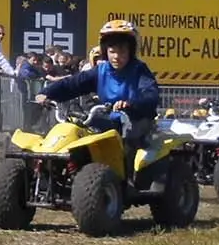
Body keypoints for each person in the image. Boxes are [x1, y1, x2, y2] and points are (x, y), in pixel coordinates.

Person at [37, 18, 161, 150]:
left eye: (122, 51)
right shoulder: (101, 71)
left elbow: (151, 95)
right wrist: (46, 93)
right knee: (83, 132)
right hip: (110, 121)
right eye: (112, 51)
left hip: (137, 121)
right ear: (105, 51)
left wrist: (130, 104)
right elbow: (73, 83)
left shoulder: (139, 69)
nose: (116, 56)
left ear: (130, 51)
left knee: (132, 144)